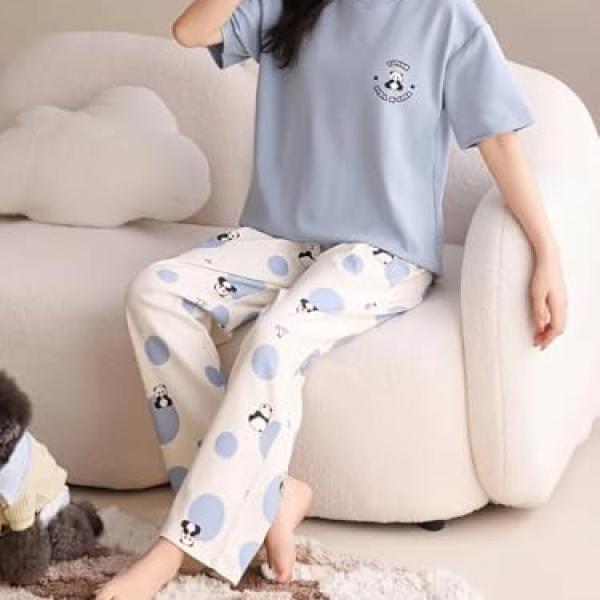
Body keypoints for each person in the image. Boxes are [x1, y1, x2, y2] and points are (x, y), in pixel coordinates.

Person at [96, 0, 568, 596]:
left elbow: (498, 139)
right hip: (280, 237)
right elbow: (191, 31)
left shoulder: (443, 16)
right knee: (155, 292)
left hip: (383, 252)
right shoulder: (289, 5)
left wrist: (545, 252)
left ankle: (179, 549)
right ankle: (270, 496)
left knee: (276, 338)